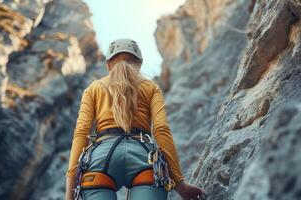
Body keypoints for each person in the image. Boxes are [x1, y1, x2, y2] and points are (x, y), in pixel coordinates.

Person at [65, 38, 206, 200]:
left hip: (101, 159)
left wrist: (69, 194)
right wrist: (180, 184)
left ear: (108, 65)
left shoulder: (93, 89)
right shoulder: (151, 87)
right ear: (139, 64)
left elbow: (81, 133)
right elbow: (161, 130)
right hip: (144, 157)